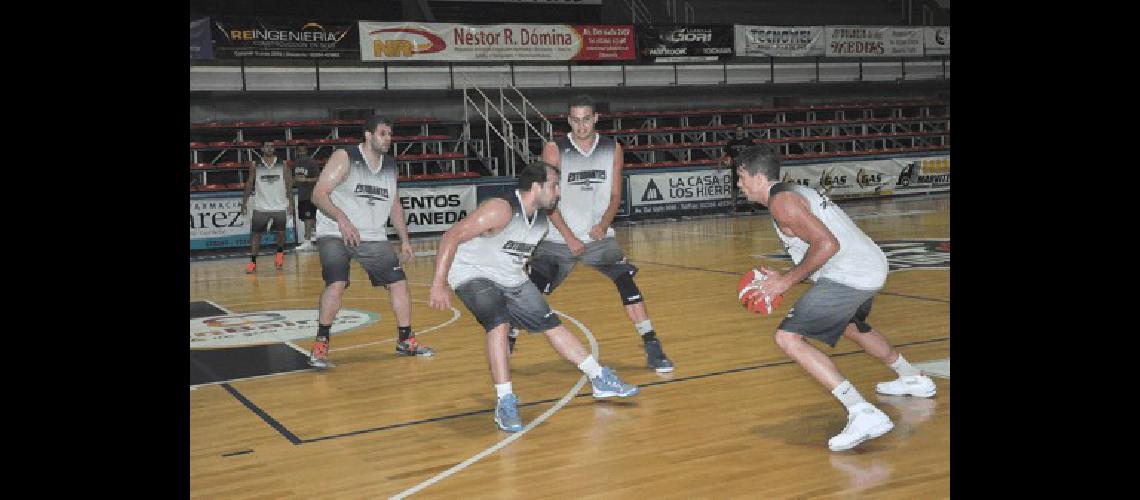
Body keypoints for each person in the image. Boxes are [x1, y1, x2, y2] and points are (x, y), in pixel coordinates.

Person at [733, 145, 937, 452]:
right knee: (851, 326)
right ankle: (912, 377)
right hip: (868, 265)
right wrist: (783, 275)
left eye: (741, 176)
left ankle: (862, 411)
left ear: (757, 176)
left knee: (788, 339)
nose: (738, 184)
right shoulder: (791, 193)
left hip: (851, 274)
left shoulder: (782, 203)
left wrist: (784, 283)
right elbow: (816, 247)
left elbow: (827, 244)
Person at [429, 161, 638, 433]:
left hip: (510, 275)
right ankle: (505, 402)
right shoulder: (500, 209)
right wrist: (438, 284)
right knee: (499, 322)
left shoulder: (541, 218)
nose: (558, 192)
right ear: (536, 186)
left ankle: (599, 378)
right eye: (553, 185)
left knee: (551, 323)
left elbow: (518, 250)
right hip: (471, 272)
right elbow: (451, 236)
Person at [517, 94, 674, 373]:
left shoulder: (612, 149)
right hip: (558, 238)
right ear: (568, 120)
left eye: (586, 119)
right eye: (575, 120)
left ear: (595, 118)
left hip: (599, 237)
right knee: (531, 292)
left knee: (626, 281)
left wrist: (604, 224)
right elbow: (547, 200)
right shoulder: (555, 149)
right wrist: (569, 237)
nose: (581, 126)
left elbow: (615, 194)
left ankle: (652, 345)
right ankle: (508, 340)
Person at [307, 115, 434, 369]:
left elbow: (394, 204)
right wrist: (342, 219)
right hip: (335, 230)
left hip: (372, 235)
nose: (388, 139)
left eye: (390, 134)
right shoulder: (346, 157)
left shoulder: (390, 165)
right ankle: (321, 343)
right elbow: (318, 194)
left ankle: (405, 339)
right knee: (337, 283)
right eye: (383, 133)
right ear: (368, 135)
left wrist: (405, 239)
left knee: (399, 284)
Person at [240, 142, 293, 274]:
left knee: (281, 234)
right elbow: (249, 183)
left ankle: (279, 256)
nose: (269, 148)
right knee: (256, 235)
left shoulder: (283, 163)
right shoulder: (255, 164)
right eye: (266, 146)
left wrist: (291, 202)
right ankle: (252, 262)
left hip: (279, 205)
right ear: (262, 149)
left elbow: (288, 183)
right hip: (261, 206)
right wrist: (244, 202)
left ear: (274, 149)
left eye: (271, 146)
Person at [292, 145, 321, 252]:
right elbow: (294, 179)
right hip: (301, 194)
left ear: (306, 151)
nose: (301, 152)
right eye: (299, 150)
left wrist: (307, 180)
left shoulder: (312, 163)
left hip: (311, 194)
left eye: (303, 150)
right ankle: (313, 240)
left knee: (309, 218)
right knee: (306, 218)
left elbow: (319, 178)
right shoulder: (296, 163)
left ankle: (308, 241)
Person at [721, 125, 753, 213]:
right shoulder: (731, 142)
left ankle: (751, 205)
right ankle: (734, 206)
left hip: (746, 167)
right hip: (735, 168)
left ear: (743, 131)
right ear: (736, 132)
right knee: (735, 188)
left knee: (748, 186)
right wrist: (721, 162)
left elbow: (754, 152)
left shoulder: (748, 141)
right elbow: (724, 153)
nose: (739, 132)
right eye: (738, 130)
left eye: (740, 130)